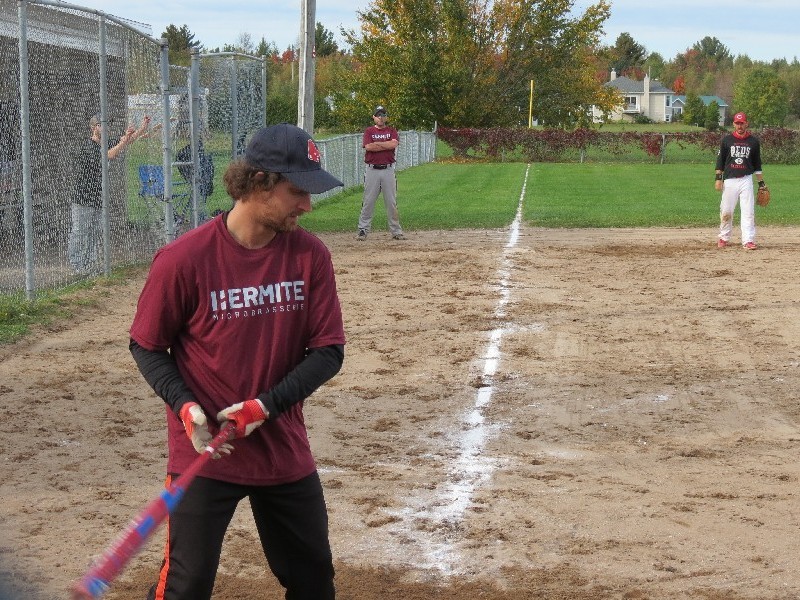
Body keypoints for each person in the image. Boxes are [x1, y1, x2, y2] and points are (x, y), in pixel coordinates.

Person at [129, 123, 346, 600]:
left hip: (281, 448)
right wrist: (185, 405)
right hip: (206, 451)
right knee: (186, 585)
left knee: (313, 581)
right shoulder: (183, 259)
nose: (308, 206)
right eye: (298, 192)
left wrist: (265, 407)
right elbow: (146, 345)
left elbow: (328, 351)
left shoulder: (310, 256)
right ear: (260, 182)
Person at [68, 112, 151, 274]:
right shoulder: (88, 146)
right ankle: (76, 266)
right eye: (102, 125)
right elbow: (110, 155)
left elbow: (127, 141)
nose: (106, 128)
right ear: (94, 128)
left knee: (94, 232)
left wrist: (142, 128)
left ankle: (89, 265)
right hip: (83, 199)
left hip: (98, 198)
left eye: (107, 124)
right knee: (80, 232)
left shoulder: (105, 143)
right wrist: (123, 142)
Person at [714, 111, 765, 250]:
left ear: (746, 123)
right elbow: (720, 161)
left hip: (746, 180)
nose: (739, 126)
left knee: (748, 211)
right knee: (726, 210)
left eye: (742, 123)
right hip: (730, 180)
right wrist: (718, 179)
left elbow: (757, 164)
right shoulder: (727, 140)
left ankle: (748, 240)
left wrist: (761, 183)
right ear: (733, 124)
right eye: (737, 123)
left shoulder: (753, 142)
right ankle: (724, 237)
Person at [356, 105, 406, 241]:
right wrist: (385, 144)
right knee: (368, 201)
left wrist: (378, 144)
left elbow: (393, 144)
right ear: (374, 117)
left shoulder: (391, 130)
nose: (381, 118)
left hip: (388, 170)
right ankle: (363, 230)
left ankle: (396, 231)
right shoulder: (369, 131)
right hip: (372, 170)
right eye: (378, 115)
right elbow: (368, 147)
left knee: (391, 202)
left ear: (386, 117)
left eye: (383, 115)